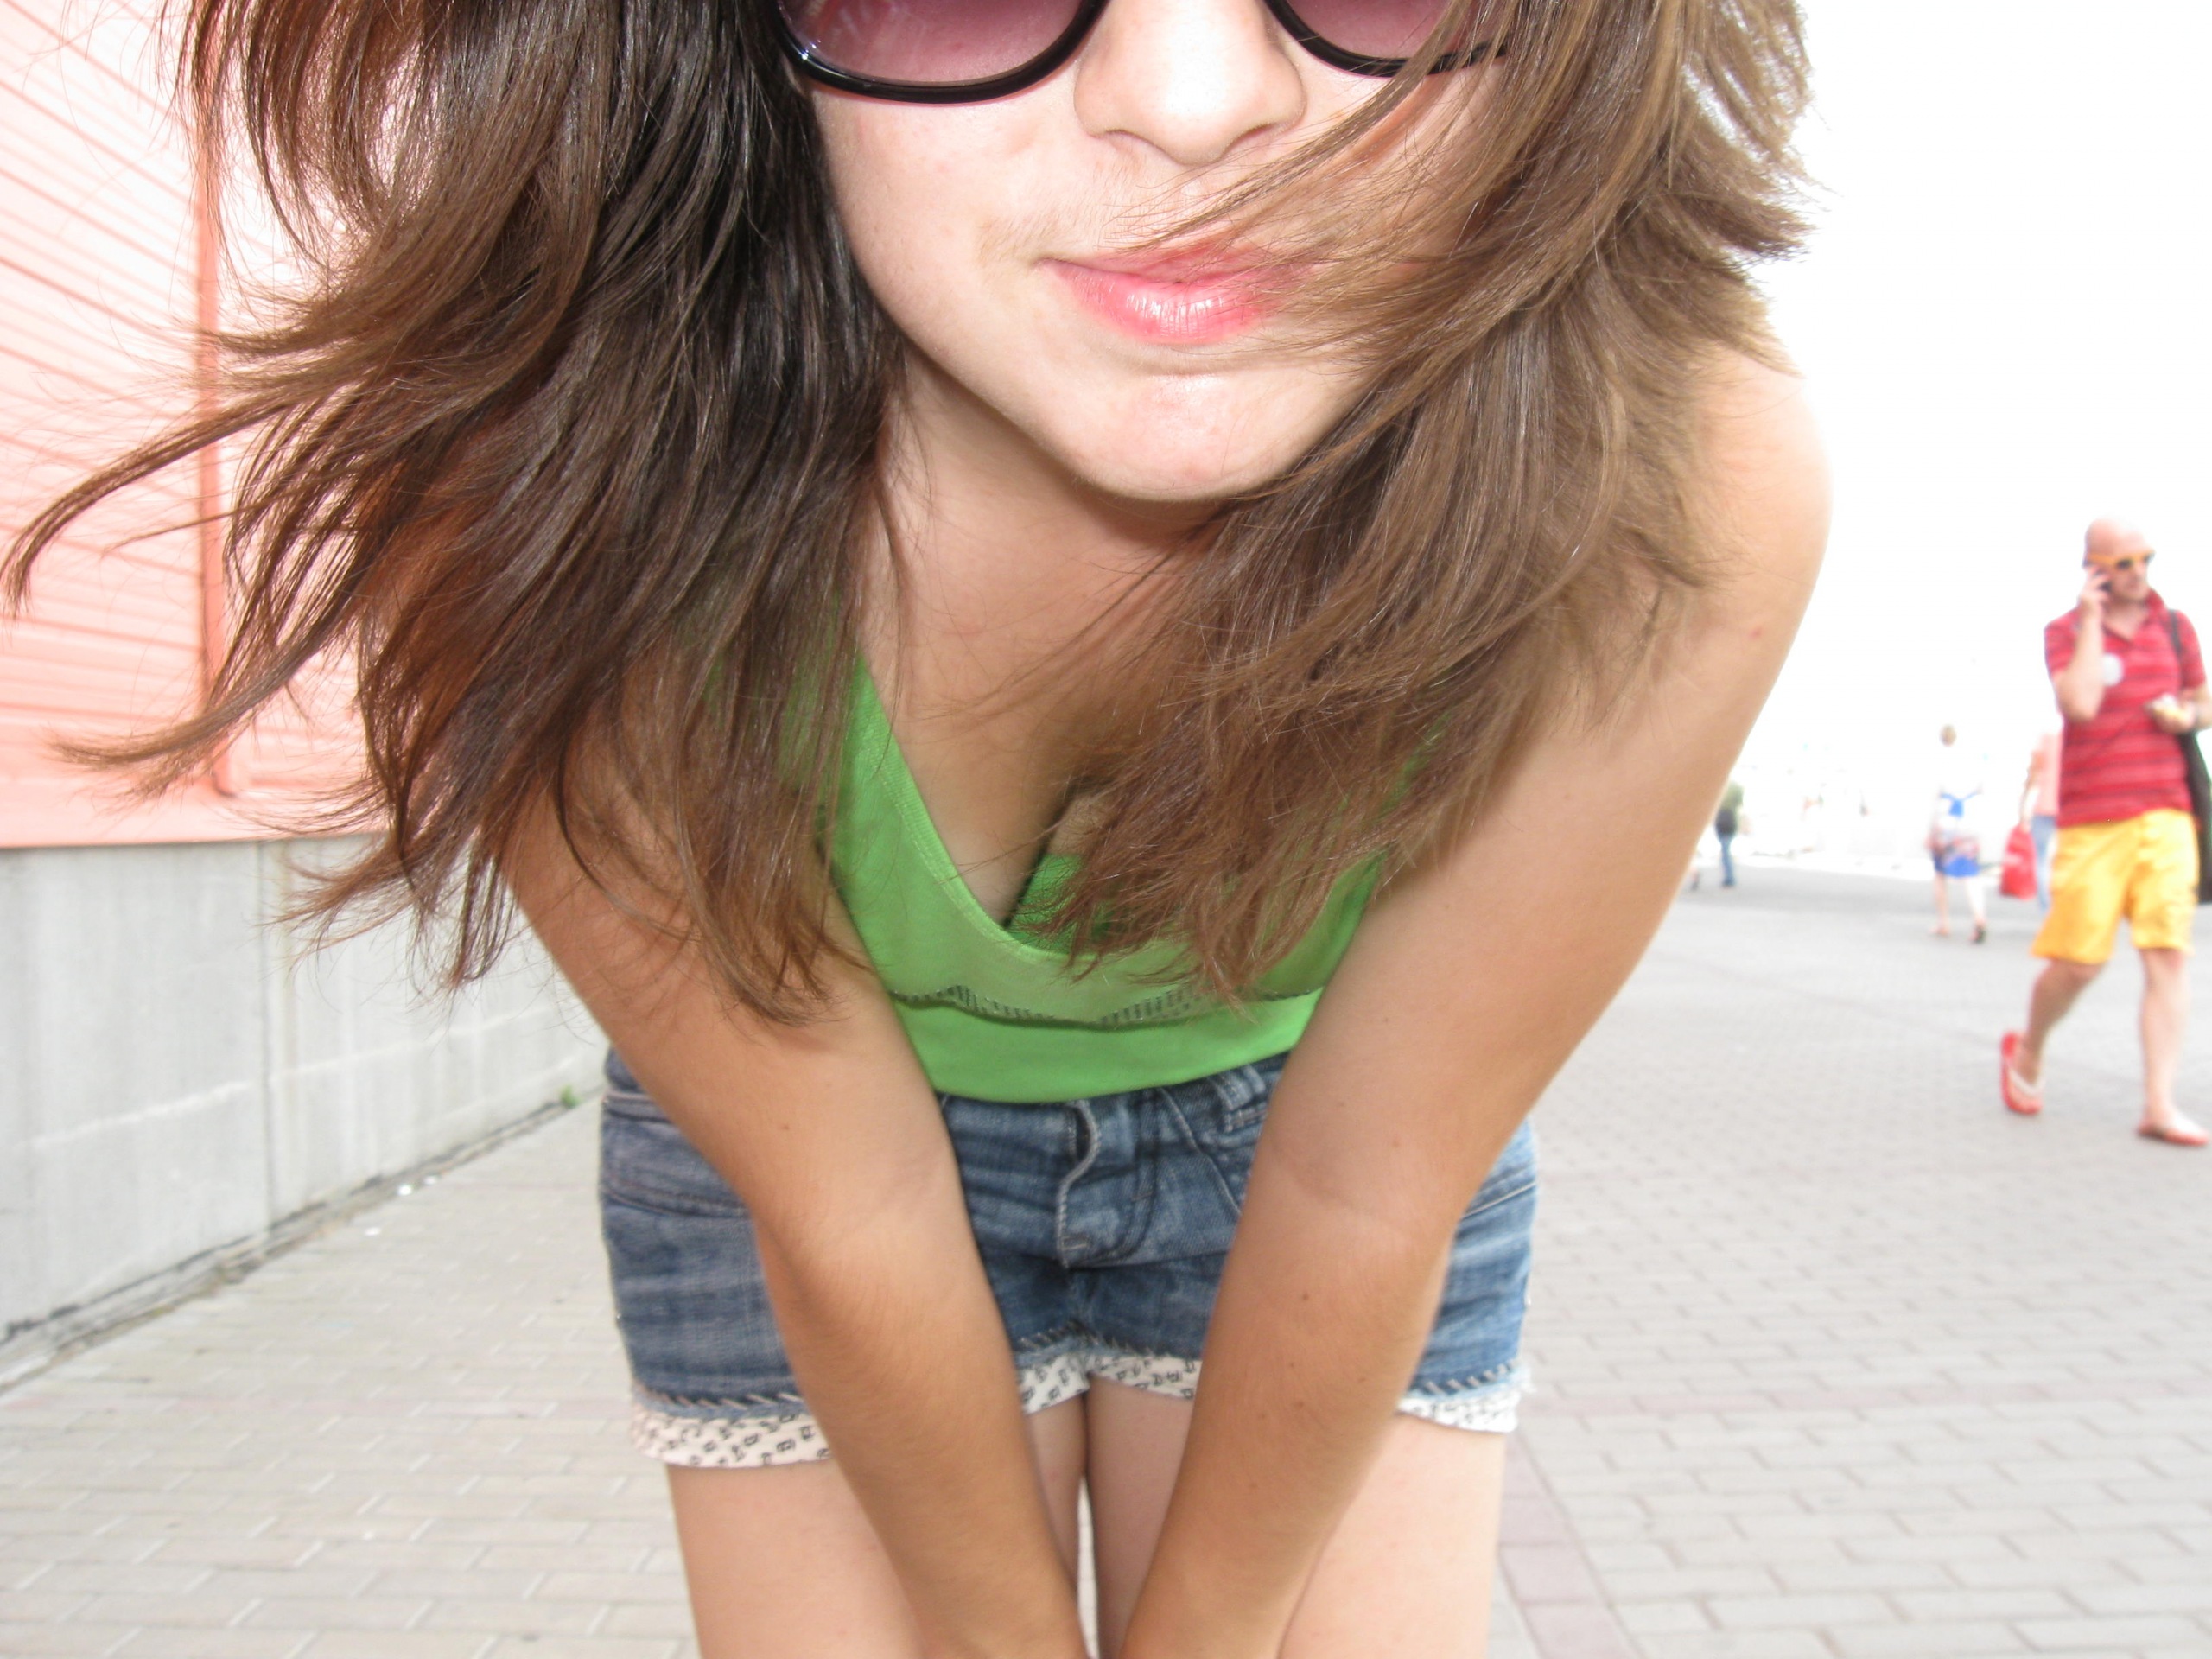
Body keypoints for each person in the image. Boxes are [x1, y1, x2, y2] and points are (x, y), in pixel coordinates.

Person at [7, 0, 1827, 1651]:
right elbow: (850, 1204)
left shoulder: (1666, 471)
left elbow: (1365, 1190)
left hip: (1328, 1157)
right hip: (815, 1179)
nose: (1193, 97)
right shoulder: (532, 493)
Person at [2001, 520, 2210, 1147]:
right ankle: (2029, 1048)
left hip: (2168, 813)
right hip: (2093, 821)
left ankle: (2159, 1105)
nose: (2137, 572)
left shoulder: (2175, 627)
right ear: (2094, 569)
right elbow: (2080, 704)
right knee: (2079, 963)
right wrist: (2092, 621)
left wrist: (2187, 714)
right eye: (2122, 563)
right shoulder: (2064, 631)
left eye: (2144, 559)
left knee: (2167, 954)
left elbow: (2204, 701)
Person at [1929, 724, 1987, 943]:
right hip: (1969, 820)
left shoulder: (1940, 760)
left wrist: (1930, 829)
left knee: (1940, 873)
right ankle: (1979, 917)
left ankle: (1944, 922)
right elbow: (1983, 788)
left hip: (1945, 820)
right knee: (1970, 872)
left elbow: (1934, 794)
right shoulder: (1975, 759)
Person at [2018, 728, 2062, 910]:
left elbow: (2033, 773)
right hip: (2068, 806)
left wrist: (2023, 804)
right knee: (2063, 857)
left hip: (2044, 805)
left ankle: (2047, 908)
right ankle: (2062, 904)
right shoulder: (2073, 739)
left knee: (2041, 858)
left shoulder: (2045, 740)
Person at [1713, 779, 1745, 887]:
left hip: (1720, 821)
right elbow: (1740, 804)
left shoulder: (1718, 785)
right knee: (1726, 849)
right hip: (1732, 821)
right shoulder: (1737, 787)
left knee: (1725, 850)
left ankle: (1729, 877)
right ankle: (1729, 876)